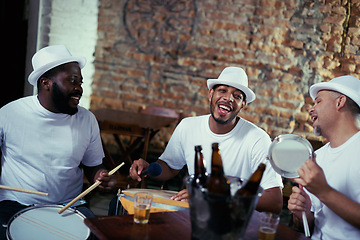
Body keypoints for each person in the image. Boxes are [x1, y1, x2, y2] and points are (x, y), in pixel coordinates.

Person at [129, 66, 283, 214]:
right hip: (196, 215)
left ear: (242, 105)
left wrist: (215, 197)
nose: (228, 98)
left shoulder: (258, 139)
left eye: (237, 96)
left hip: (236, 222)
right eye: (222, 90)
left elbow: (275, 201)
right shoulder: (188, 126)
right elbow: (169, 167)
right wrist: (147, 169)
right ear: (210, 94)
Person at [0, 45, 115, 238]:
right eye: (72, 81)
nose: (79, 88)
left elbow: (94, 166)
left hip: (69, 205)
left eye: (80, 82)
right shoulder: (9, 114)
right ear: (46, 83)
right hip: (15, 203)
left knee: (99, 236)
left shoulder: (87, 120)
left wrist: (100, 176)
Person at [287, 75, 360, 239]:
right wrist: (302, 214)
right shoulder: (317, 157)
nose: (311, 109)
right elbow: (312, 226)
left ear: (339, 102)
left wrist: (324, 191)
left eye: (318, 101)